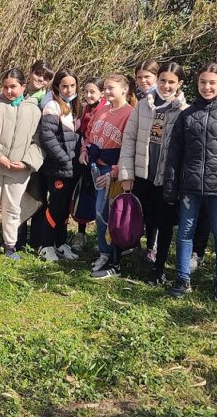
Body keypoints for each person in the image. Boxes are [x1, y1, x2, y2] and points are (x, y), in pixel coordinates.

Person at [163, 63, 217, 302]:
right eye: (203, 82)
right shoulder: (187, 115)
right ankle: (182, 278)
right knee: (185, 232)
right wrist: (171, 185)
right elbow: (174, 153)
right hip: (189, 185)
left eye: (212, 82)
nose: (207, 87)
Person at [118, 62, 188, 285]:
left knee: (164, 223)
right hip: (142, 174)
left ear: (179, 84)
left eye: (171, 82)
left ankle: (159, 269)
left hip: (166, 178)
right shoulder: (143, 105)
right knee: (139, 217)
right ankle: (126, 257)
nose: (166, 86)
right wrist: (126, 174)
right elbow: (129, 138)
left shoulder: (183, 111)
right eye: (163, 81)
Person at [0, 69, 43, 261]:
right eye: (5, 87)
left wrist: (26, 163)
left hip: (19, 169)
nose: (8, 91)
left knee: (13, 207)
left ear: (23, 87)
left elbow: (38, 142)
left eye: (13, 87)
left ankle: (10, 245)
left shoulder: (34, 110)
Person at [84, 73, 136, 279]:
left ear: (124, 90)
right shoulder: (103, 109)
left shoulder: (129, 114)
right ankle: (104, 251)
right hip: (95, 166)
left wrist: (114, 172)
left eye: (110, 88)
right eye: (104, 88)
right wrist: (84, 150)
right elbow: (90, 133)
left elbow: (128, 148)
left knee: (105, 213)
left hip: (111, 170)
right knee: (100, 212)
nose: (106, 92)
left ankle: (110, 256)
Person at [33, 68, 82, 262]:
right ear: (57, 87)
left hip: (72, 168)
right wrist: (63, 158)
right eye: (64, 86)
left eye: (72, 85)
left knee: (64, 208)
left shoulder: (75, 106)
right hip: (57, 168)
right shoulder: (52, 106)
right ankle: (46, 245)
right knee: (54, 207)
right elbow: (48, 137)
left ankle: (60, 243)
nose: (69, 90)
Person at [70, 77, 106, 250]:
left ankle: (103, 237)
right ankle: (81, 233)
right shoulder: (83, 108)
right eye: (86, 91)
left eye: (93, 92)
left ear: (102, 92)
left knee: (102, 198)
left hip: (101, 158)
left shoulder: (107, 110)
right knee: (83, 194)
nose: (89, 95)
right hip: (84, 157)